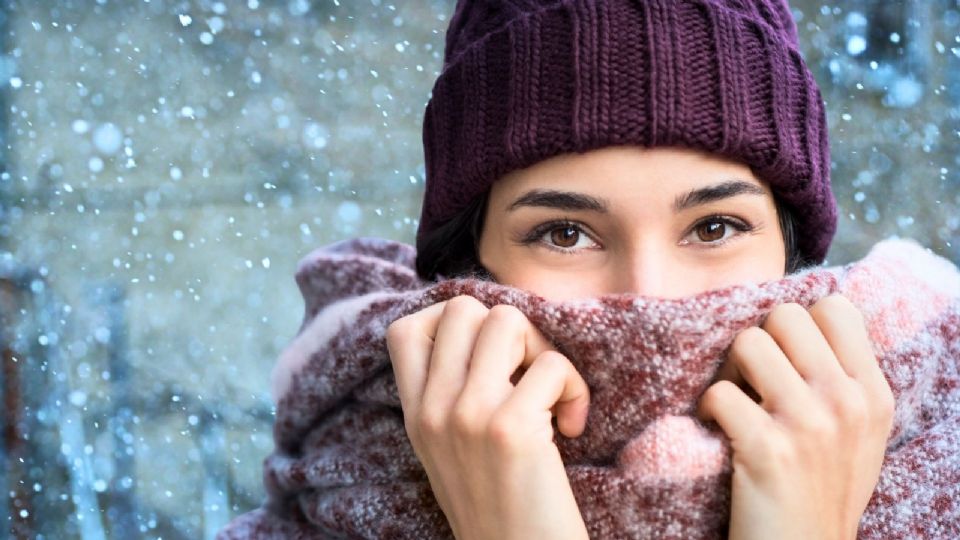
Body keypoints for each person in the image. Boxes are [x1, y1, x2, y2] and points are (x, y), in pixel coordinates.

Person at [384, 0, 896, 539]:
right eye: (566, 234)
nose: (648, 297)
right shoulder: (331, 480)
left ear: (791, 254)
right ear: (470, 263)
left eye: (714, 228)